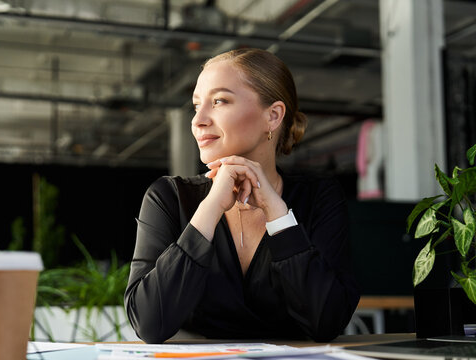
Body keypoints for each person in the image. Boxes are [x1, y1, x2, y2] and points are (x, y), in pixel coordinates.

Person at [125, 48, 360, 344]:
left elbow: (328, 322)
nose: (198, 120)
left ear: (272, 116)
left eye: (219, 101)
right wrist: (209, 210)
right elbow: (148, 323)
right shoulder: (168, 197)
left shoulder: (320, 198)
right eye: (197, 105)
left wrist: (278, 215)